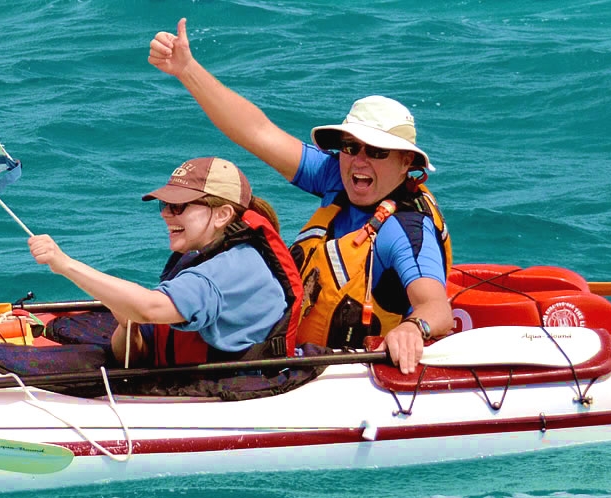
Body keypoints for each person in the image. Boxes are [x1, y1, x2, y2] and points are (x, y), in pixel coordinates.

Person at [148, 19, 453, 374]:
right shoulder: (336, 176)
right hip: (290, 354)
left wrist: (414, 328)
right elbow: (257, 132)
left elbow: (436, 308)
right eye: (351, 147)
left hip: (344, 376)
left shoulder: (407, 229)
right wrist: (187, 70)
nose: (359, 161)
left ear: (406, 164)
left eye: (377, 152)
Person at [26, 157, 303, 369]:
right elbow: (135, 351)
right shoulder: (199, 258)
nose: (166, 215)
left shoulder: (232, 269)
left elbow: (149, 308)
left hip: (236, 395)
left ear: (222, 215)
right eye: (165, 206)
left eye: (178, 206)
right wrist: (126, 323)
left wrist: (64, 264)